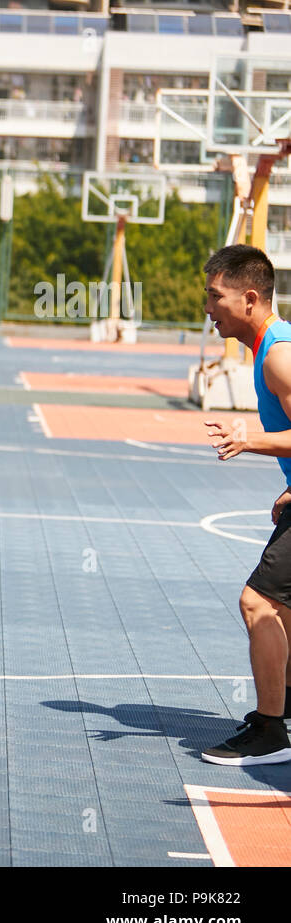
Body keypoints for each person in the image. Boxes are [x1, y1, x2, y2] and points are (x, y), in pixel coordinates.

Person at [202, 244, 291, 766]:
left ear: (250, 298)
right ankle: (281, 714)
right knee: (280, 606)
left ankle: (270, 732)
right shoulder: (271, 347)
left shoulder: (278, 354)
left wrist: (249, 438)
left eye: (215, 297)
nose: (208, 309)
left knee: (257, 602)